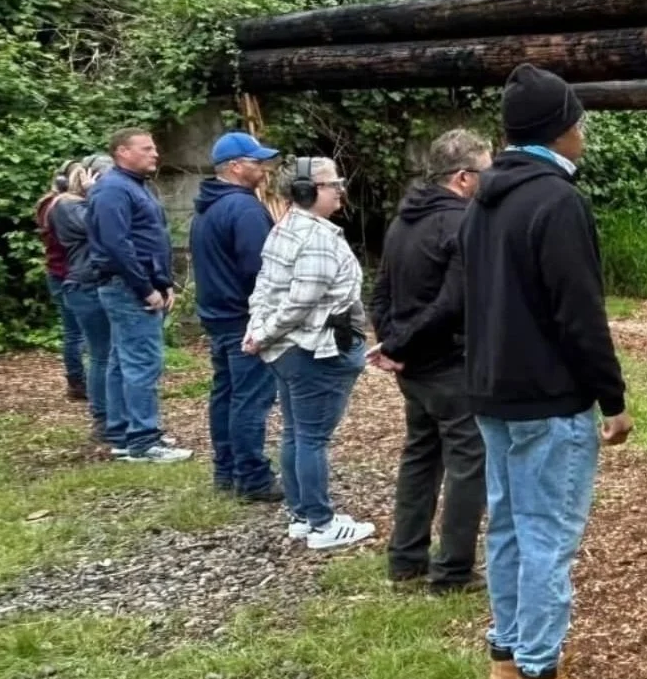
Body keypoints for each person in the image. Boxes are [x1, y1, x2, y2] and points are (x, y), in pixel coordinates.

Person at [462, 64, 632, 679]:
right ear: (561, 129)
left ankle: (506, 662)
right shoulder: (556, 202)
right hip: (548, 397)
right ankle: (541, 677)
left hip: (493, 395)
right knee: (546, 536)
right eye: (579, 121)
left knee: (506, 528)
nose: (583, 133)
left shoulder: (484, 198)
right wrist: (610, 398)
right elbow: (578, 313)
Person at [372, 129, 492, 594]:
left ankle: (405, 559)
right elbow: (453, 304)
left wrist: (392, 342)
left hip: (414, 368)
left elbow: (381, 292)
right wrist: (399, 346)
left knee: (421, 455)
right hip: (448, 362)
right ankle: (454, 570)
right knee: (467, 460)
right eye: (487, 170)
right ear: (464, 177)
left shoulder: (405, 219)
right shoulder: (464, 222)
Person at [244, 157, 375, 551]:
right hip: (314, 352)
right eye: (333, 183)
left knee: (296, 434)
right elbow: (301, 302)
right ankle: (321, 523)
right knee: (312, 438)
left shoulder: (285, 227)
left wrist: (258, 332)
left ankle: (302, 514)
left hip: (289, 351)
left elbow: (264, 289)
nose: (340, 190)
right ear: (307, 191)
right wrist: (262, 333)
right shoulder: (316, 237)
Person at [87, 128, 192, 464]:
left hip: (138, 284)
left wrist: (163, 282)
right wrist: (146, 288)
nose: (155, 153)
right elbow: (118, 245)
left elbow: (147, 240)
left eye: (154, 147)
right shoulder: (113, 190)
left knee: (122, 359)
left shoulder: (133, 187)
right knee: (142, 363)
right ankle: (143, 441)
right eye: (146, 148)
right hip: (127, 287)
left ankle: (122, 432)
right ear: (122, 152)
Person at [190, 132, 283, 503]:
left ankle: (226, 470)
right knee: (250, 398)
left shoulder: (207, 206)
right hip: (244, 317)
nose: (263, 168)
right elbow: (260, 268)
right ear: (234, 166)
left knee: (226, 394)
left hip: (218, 316)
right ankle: (253, 477)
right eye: (256, 161)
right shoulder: (243, 209)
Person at [48, 155, 115, 447]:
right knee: (100, 353)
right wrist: (95, 194)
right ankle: (102, 418)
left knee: (108, 353)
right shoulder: (66, 205)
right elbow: (99, 226)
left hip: (91, 283)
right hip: (84, 285)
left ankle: (113, 415)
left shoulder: (79, 204)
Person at [35, 167, 87, 403]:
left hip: (58, 273)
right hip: (67, 273)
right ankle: (78, 382)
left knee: (72, 332)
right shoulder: (64, 207)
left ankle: (77, 381)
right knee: (76, 334)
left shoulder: (48, 203)